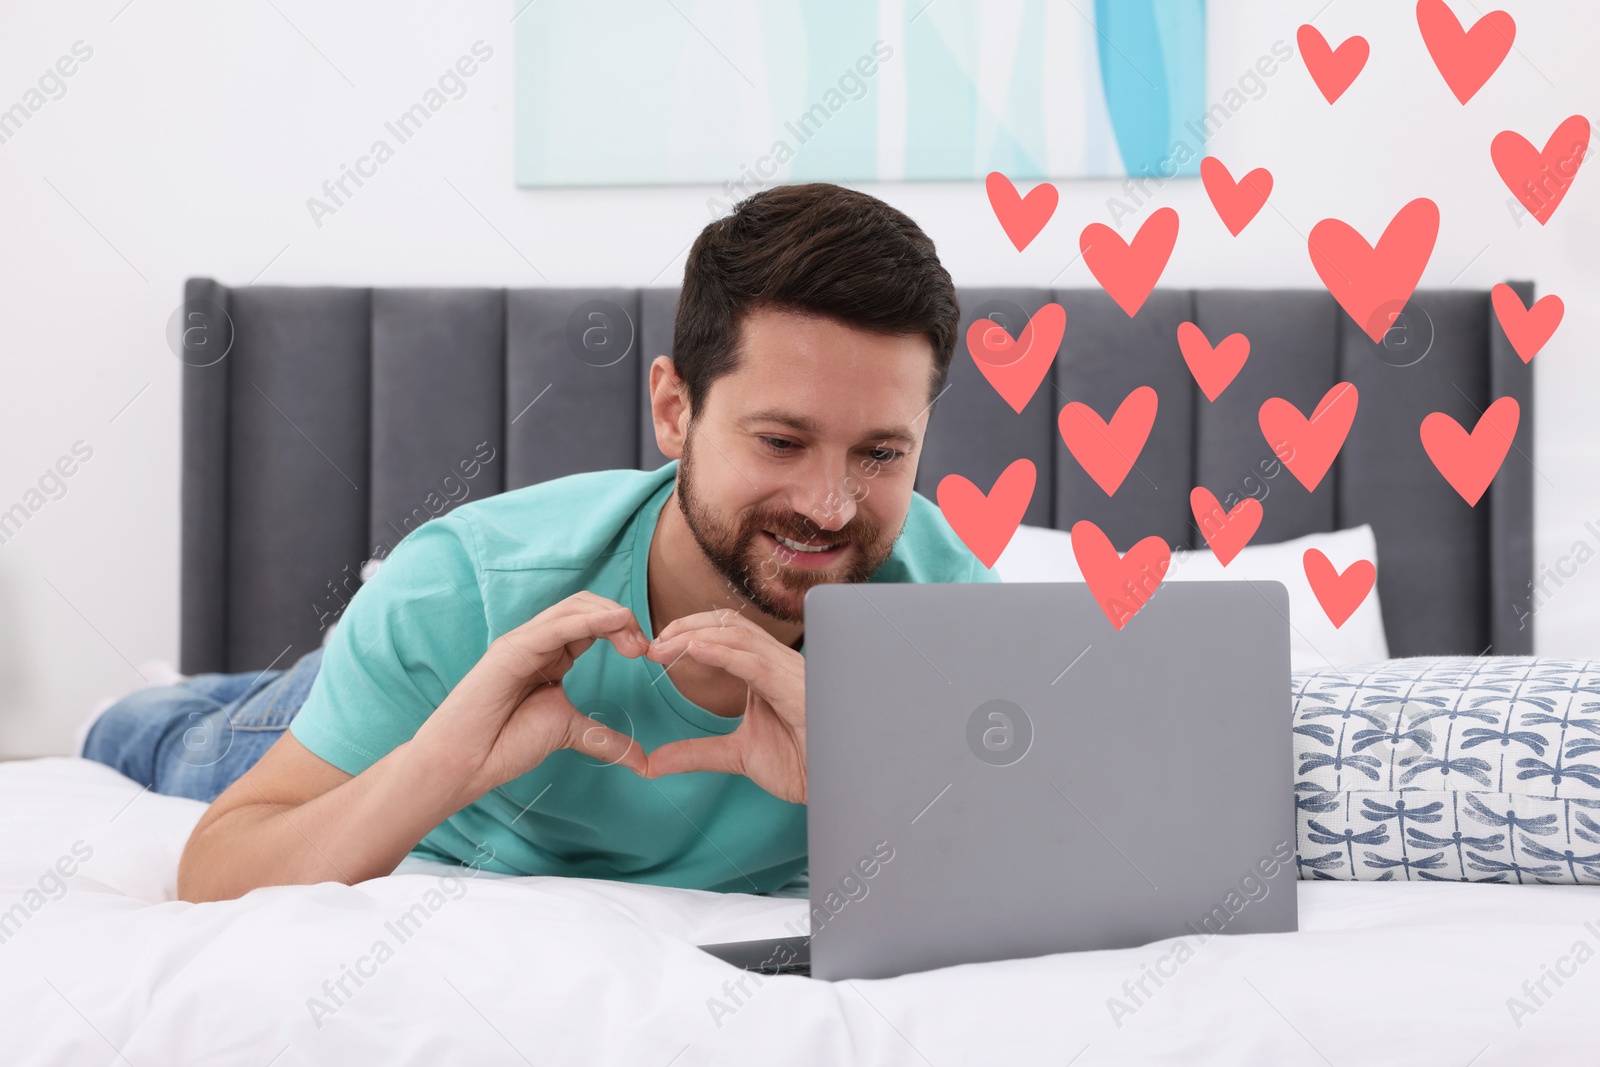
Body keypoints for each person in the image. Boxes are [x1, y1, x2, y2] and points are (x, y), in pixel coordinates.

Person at [86, 182, 997, 903]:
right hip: (384, 698)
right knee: (166, 739)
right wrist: (443, 764)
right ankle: (172, 698)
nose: (831, 507)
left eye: (880, 453)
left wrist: (868, 775)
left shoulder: (950, 619)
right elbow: (212, 873)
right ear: (675, 409)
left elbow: (1058, 852)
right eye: (781, 442)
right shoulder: (459, 593)